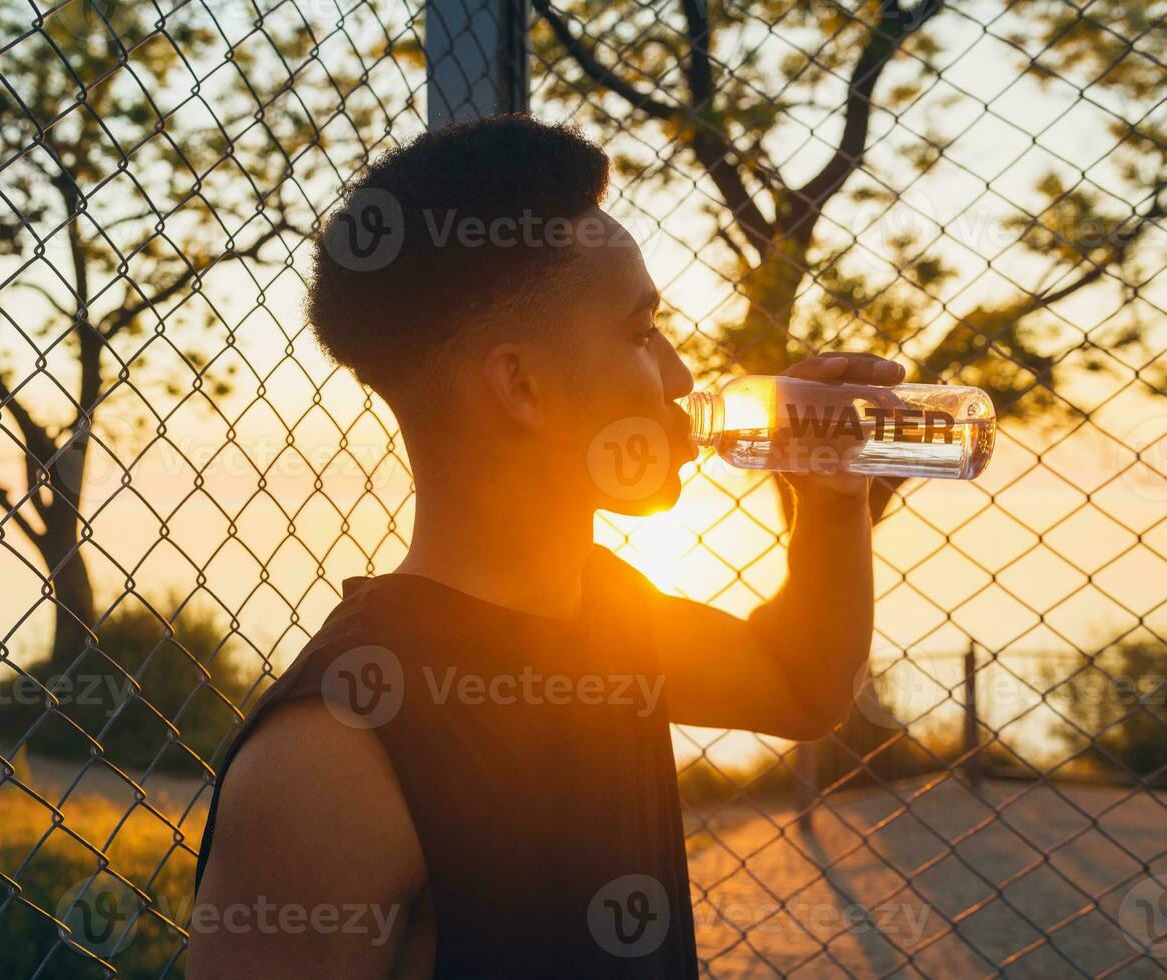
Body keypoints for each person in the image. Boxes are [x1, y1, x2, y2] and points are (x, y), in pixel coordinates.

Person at [184, 115, 901, 978]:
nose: (680, 379)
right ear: (521, 386)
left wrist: (830, 502)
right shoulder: (332, 753)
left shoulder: (604, 611)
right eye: (642, 333)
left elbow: (799, 684)